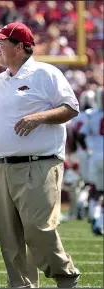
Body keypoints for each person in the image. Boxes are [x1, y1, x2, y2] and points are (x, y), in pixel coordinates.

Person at [0, 22, 80, 288]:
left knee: (39, 229)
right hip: (0, 167)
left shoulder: (45, 73)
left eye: (2, 43)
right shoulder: (0, 81)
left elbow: (71, 108)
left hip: (38, 163)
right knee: (10, 240)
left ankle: (66, 276)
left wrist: (39, 117)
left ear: (21, 47)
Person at [78, 86, 103, 235]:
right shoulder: (91, 115)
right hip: (95, 154)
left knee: (94, 189)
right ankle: (99, 222)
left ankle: (94, 216)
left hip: (95, 156)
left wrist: (87, 150)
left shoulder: (91, 116)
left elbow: (80, 136)